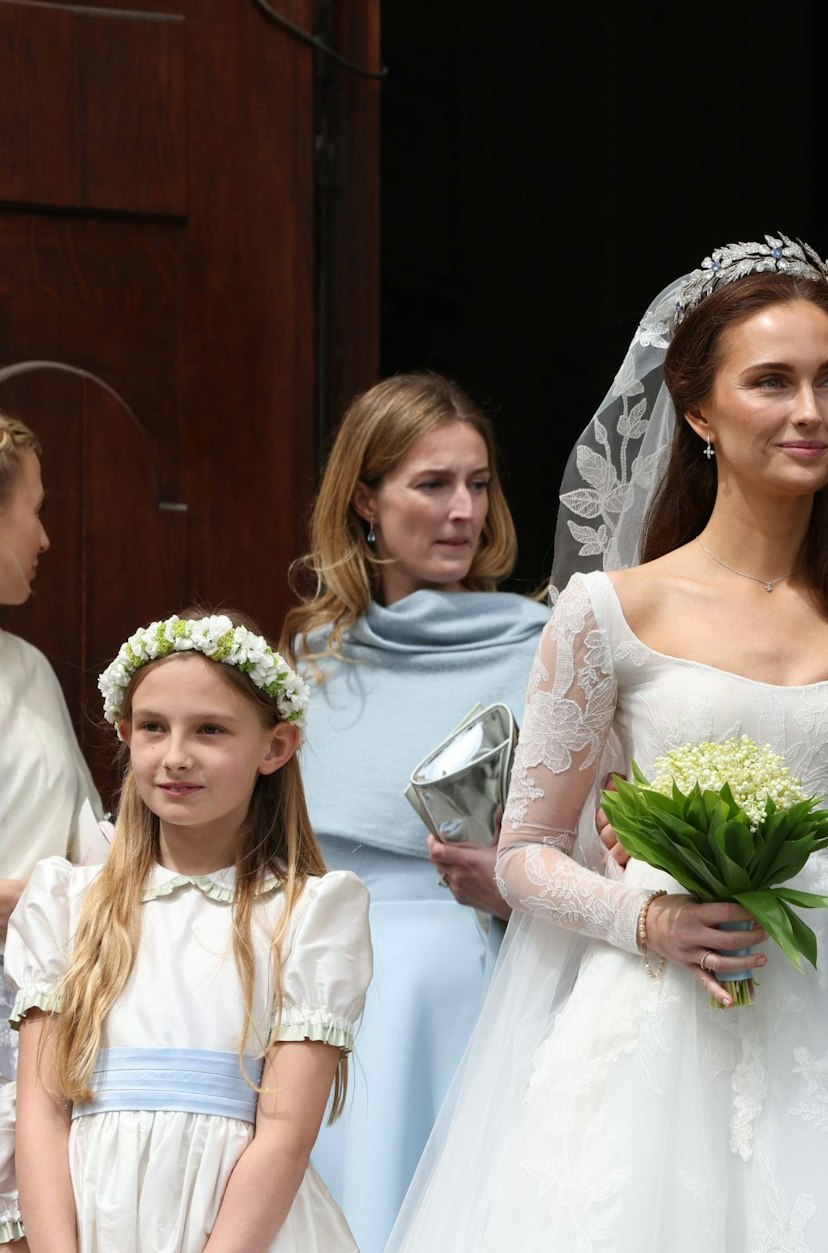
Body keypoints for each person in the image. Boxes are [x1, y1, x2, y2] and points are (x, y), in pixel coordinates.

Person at [387, 235, 828, 1250]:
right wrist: (647, 917)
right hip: (656, 1021)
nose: (808, 412)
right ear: (697, 409)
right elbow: (521, 853)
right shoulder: (609, 610)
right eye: (770, 381)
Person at [280, 372, 548, 1253]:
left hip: (471, 977)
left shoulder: (545, 642)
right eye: (433, 484)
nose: (463, 509)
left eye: (477, 483)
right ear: (366, 498)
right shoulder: (311, 656)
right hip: (316, 981)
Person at [9, 611, 371, 1251]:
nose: (176, 756)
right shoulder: (67, 905)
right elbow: (41, 1111)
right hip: (91, 1220)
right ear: (126, 734)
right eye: (153, 727)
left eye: (209, 730)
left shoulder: (309, 915)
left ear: (275, 747)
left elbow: (285, 1132)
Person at [0, 412, 104, 1250]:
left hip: (39, 1005)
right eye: (31, 507)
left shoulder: (28, 667)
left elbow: (86, 834)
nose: (44, 534)